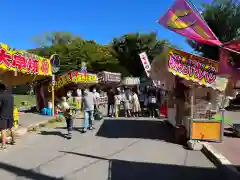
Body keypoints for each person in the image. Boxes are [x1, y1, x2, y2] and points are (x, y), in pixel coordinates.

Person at [0, 84, 16, 149]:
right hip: (10, 114)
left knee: (3, 129)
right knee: (11, 128)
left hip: (2, 115)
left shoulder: (1, 96)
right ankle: (13, 140)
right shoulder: (11, 96)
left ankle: (3, 145)